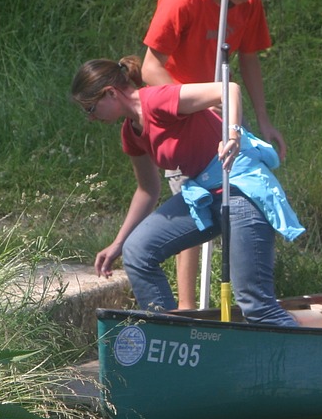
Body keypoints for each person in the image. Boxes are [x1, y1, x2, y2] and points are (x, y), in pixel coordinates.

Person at [72, 56, 302, 326]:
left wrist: (233, 135)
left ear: (110, 93)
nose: (89, 118)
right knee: (137, 252)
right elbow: (147, 190)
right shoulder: (130, 132)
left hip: (239, 186)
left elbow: (229, 89)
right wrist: (118, 243)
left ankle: (312, 360)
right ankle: (171, 337)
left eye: (90, 108)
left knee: (255, 304)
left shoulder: (157, 99)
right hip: (203, 197)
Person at [140, 0, 287, 309]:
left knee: (232, 196)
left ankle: (242, 301)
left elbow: (250, 59)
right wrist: (198, 106)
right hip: (182, 118)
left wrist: (264, 120)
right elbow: (150, 68)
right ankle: (187, 310)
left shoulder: (247, 6)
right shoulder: (181, 0)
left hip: (221, 114)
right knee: (193, 207)